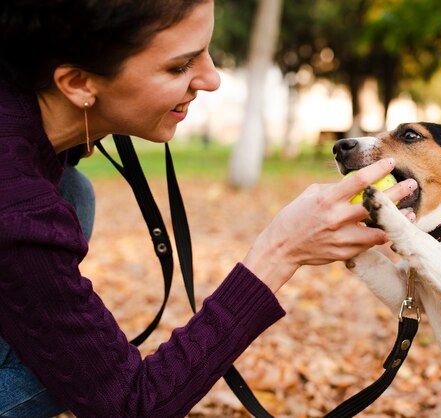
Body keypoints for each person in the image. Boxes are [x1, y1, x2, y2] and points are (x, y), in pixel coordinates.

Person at [0, 1, 418, 417]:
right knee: (58, 370)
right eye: (179, 67)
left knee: (74, 191)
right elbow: (131, 406)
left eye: (206, 50)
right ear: (76, 82)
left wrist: (83, 135)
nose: (212, 78)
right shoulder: (17, 204)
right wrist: (280, 251)